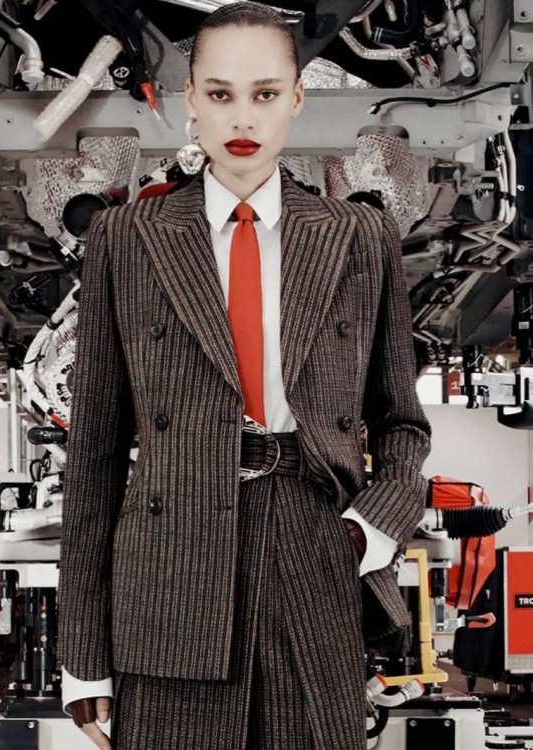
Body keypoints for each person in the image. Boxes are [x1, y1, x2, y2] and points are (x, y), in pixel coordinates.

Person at [56, 3, 432, 749]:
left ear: (296, 98)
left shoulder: (360, 236)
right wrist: (82, 657)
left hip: (315, 545)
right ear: (190, 99)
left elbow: (400, 421)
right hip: (171, 564)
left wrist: (369, 532)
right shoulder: (126, 237)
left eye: (265, 93)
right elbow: (94, 450)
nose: (242, 117)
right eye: (220, 93)